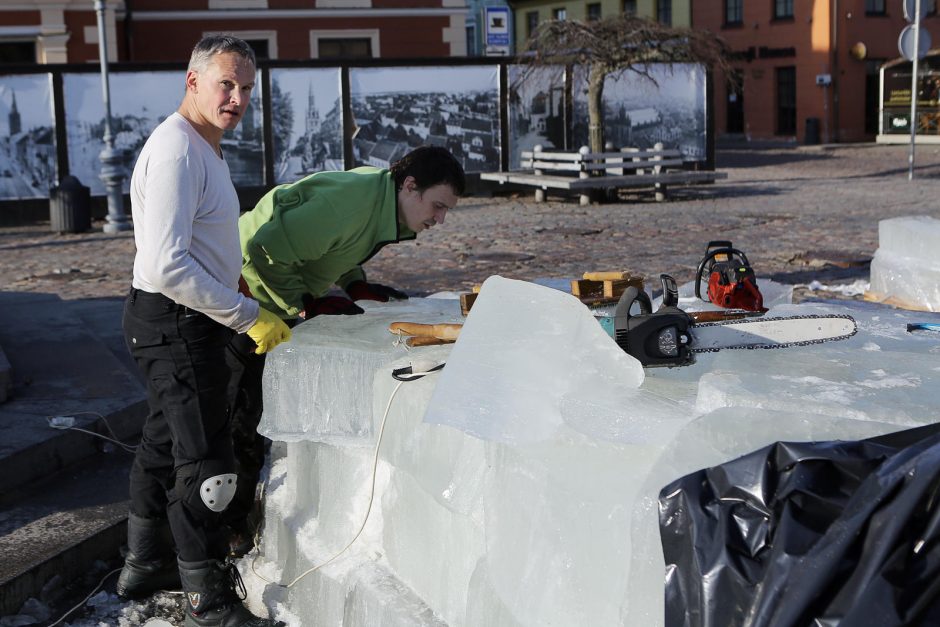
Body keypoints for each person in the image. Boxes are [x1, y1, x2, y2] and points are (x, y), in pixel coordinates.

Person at [117, 34, 291, 627]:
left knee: (166, 442)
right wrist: (247, 315)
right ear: (192, 81)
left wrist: (235, 285)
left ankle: (146, 563)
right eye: (227, 84)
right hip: (174, 320)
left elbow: (198, 243)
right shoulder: (177, 152)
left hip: (178, 319)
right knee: (208, 464)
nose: (238, 97)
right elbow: (166, 264)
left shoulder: (202, 146)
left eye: (246, 88)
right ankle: (207, 600)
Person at [222, 146, 466, 551]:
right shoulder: (350, 205)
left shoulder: (379, 200)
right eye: (438, 206)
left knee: (246, 413)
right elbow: (264, 253)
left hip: (264, 294)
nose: (440, 220)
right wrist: (303, 303)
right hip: (241, 297)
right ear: (410, 186)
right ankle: (224, 533)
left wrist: (354, 281)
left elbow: (333, 243)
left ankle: (233, 520)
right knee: (239, 416)